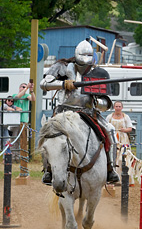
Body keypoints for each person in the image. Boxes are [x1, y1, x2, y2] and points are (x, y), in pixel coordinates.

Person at [40, 39, 119, 185]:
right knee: (49, 135)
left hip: (88, 112)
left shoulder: (98, 72)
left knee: (110, 130)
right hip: (64, 111)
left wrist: (97, 103)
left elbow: (106, 102)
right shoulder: (61, 67)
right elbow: (43, 84)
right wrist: (63, 84)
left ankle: (110, 168)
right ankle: (48, 170)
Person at [106, 101, 134, 186]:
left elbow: (130, 128)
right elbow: (105, 126)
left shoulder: (126, 117)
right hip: (113, 138)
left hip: (123, 139)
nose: (118, 108)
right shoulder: (109, 117)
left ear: (122, 107)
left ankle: (127, 180)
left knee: (124, 158)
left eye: (119, 106)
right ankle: (113, 179)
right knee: (113, 158)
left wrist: (124, 130)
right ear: (114, 107)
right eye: (116, 106)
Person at [9, 82, 35, 161]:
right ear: (19, 88)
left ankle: (22, 157)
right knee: (14, 139)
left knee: (23, 140)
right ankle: (13, 157)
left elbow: (33, 99)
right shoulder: (14, 95)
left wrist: (31, 90)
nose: (23, 88)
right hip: (15, 121)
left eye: (24, 87)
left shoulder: (27, 96)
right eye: (22, 87)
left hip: (24, 121)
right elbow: (17, 97)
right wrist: (27, 87)